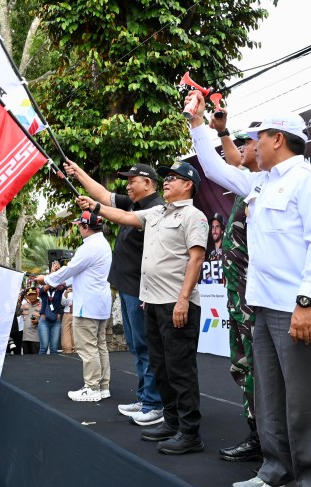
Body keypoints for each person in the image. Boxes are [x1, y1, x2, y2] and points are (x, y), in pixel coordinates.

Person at [186, 93, 311, 487]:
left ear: (277, 138)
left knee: (307, 403)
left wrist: (306, 302)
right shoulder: (260, 182)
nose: (251, 146)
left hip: (298, 309)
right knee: (268, 397)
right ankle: (277, 473)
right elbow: (215, 168)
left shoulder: (310, 181)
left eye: (257, 138)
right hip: (264, 306)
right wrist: (197, 122)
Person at [77, 160, 208, 455]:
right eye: (166, 178)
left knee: (181, 370)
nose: (167, 182)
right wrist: (95, 208)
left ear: (188, 185)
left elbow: (196, 260)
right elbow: (124, 216)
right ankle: (172, 421)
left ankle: (190, 433)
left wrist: (184, 299)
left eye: (173, 178)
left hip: (177, 304)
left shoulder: (193, 216)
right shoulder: (157, 212)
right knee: (161, 367)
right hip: (153, 303)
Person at [64, 160, 165, 426]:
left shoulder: (156, 208)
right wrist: (79, 173)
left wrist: (96, 208)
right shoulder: (134, 202)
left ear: (148, 183)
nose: (128, 185)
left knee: (146, 347)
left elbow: (112, 211)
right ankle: (145, 398)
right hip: (127, 287)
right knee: (136, 346)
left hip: (142, 290)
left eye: (132, 180)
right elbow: (102, 193)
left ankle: (154, 403)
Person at [191, 114, 264, 462]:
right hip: (238, 300)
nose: (245, 147)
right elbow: (230, 162)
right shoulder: (247, 182)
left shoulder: (262, 183)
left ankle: (270, 440)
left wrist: (211, 129)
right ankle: (257, 435)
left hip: (256, 302)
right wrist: (219, 130)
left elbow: (225, 164)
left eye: (251, 141)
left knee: (259, 371)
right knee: (242, 368)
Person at [34, 211, 113, 402]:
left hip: (87, 304)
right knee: (100, 346)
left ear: (86, 227)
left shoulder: (89, 247)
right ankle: (102, 386)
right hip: (100, 303)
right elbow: (78, 273)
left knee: (88, 347)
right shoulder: (102, 244)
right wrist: (62, 282)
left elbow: (70, 269)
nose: (78, 228)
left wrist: (47, 278)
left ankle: (92, 387)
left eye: (79, 225)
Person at [37, 262, 65, 355]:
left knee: (54, 349)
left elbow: (63, 283)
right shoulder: (44, 290)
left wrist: (59, 272)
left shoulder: (59, 290)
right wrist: (52, 272)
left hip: (55, 322)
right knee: (43, 347)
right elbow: (43, 289)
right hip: (44, 321)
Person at [20, 289, 41, 355]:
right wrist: (19, 300)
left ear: (37, 295)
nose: (31, 296)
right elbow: (17, 313)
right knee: (26, 360)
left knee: (36, 360)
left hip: (36, 338)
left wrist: (38, 322)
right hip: (25, 338)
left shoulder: (42, 306)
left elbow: (46, 321)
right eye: (29, 295)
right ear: (27, 296)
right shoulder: (24, 305)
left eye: (33, 294)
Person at [60, 287, 75, 354]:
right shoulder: (66, 292)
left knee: (76, 335)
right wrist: (66, 293)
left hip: (77, 315)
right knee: (65, 334)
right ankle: (67, 351)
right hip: (67, 313)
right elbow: (63, 303)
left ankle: (76, 351)